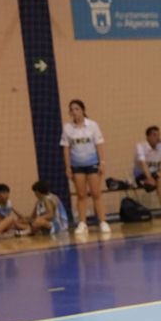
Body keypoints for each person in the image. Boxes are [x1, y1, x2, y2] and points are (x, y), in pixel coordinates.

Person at [61, 99, 108, 234]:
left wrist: (102, 162)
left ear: (83, 110)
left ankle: (103, 222)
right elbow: (66, 148)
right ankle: (82, 223)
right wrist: (68, 167)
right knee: (81, 195)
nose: (74, 112)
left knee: (96, 193)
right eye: (72, 109)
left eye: (77, 109)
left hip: (92, 163)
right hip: (77, 165)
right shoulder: (67, 128)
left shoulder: (92, 125)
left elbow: (99, 144)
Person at [134, 125, 161, 210]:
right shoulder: (140, 146)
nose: (157, 138)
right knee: (160, 179)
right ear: (148, 137)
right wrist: (149, 178)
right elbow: (143, 164)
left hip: (156, 174)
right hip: (142, 175)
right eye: (154, 135)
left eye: (158, 135)